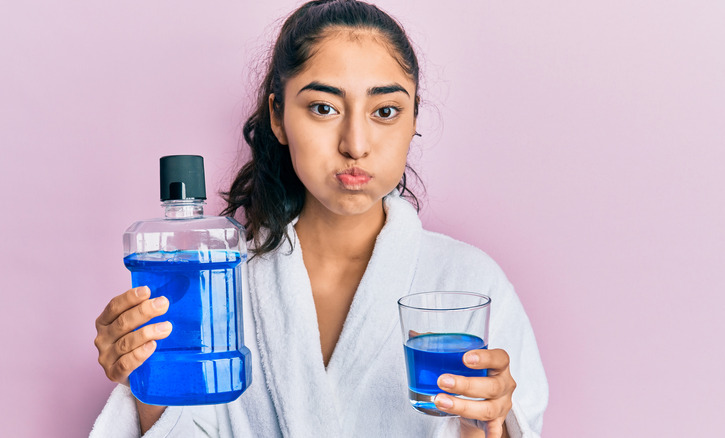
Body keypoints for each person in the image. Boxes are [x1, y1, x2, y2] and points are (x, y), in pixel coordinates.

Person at [91, 1, 548, 437]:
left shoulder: (470, 282)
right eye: (323, 108)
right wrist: (144, 380)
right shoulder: (215, 279)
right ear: (277, 115)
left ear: (413, 119)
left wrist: (486, 426)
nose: (355, 143)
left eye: (385, 111)